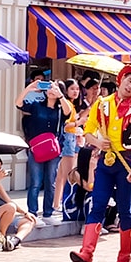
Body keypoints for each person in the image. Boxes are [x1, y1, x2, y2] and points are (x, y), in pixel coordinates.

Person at [70, 65, 131, 262]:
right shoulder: (101, 104)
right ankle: (86, 252)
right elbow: (87, 132)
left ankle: (125, 257)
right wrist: (98, 143)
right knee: (98, 205)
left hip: (127, 162)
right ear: (121, 80)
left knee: (124, 209)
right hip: (106, 162)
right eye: (129, 81)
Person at [16, 77, 71, 226]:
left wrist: (60, 95)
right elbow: (18, 103)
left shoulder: (61, 109)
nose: (51, 90)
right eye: (49, 87)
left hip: (53, 150)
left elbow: (69, 112)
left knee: (50, 181)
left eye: (55, 87)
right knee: (35, 181)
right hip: (36, 149)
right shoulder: (36, 105)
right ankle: (32, 213)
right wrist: (29, 88)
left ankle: (48, 213)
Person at [51, 79, 83, 214]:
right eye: (72, 89)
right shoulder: (67, 104)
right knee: (69, 175)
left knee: (61, 175)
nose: (75, 91)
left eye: (77, 89)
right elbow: (66, 125)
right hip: (68, 140)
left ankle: (56, 203)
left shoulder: (71, 104)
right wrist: (79, 122)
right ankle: (65, 203)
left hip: (72, 139)